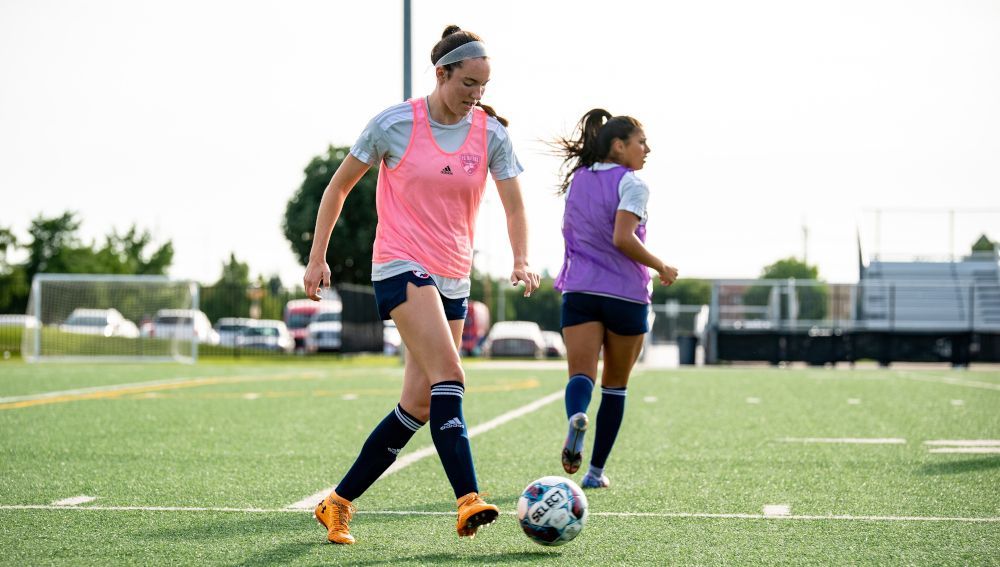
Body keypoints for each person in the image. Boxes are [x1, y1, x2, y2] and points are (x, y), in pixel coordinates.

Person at [302, 25, 540, 544]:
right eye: (468, 84)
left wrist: (521, 259)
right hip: (399, 264)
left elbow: (515, 203)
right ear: (442, 73)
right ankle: (467, 497)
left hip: (454, 275)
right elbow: (338, 186)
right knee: (451, 373)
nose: (477, 95)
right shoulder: (394, 123)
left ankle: (336, 503)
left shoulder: (490, 134)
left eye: (484, 85)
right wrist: (317, 257)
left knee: (420, 403)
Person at [552, 109, 678, 489]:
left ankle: (576, 416)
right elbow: (623, 238)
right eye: (641, 142)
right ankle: (593, 472)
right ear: (618, 145)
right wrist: (661, 266)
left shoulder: (578, 180)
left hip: (580, 290)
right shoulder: (633, 184)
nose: (647, 149)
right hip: (625, 294)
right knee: (615, 386)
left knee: (581, 376)